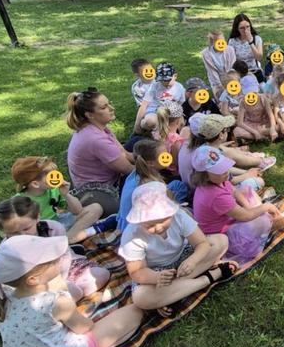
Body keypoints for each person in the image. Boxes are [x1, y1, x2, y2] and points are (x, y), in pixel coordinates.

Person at [0, 234, 143, 347]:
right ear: (33, 279)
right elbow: (85, 327)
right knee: (133, 312)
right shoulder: (55, 302)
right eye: (52, 260)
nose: (59, 258)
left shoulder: (5, 295)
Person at [118, 181, 235, 315]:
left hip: (183, 257)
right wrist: (157, 278)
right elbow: (137, 272)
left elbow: (202, 243)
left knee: (221, 241)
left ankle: (171, 294)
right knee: (141, 298)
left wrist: (192, 260)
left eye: (162, 221)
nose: (158, 227)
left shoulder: (179, 216)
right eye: (149, 225)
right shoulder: (132, 235)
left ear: (171, 212)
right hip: (155, 271)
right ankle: (207, 279)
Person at [0, 196, 110, 300]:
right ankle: (65, 301)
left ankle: (67, 299)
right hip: (38, 281)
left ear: (37, 217)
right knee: (72, 292)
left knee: (101, 275)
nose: (23, 235)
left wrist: (62, 280)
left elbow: (64, 257)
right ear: (3, 231)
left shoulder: (54, 228)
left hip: (66, 266)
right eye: (14, 233)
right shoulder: (8, 249)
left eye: (27, 228)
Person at [191, 145, 284, 264]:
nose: (226, 171)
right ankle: (268, 227)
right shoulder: (216, 196)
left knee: (246, 190)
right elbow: (245, 216)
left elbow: (234, 191)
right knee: (260, 221)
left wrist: (250, 207)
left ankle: (267, 222)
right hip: (222, 234)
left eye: (225, 166)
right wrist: (265, 207)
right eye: (220, 170)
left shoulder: (217, 181)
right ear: (205, 176)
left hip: (228, 219)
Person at [10, 156, 116, 244]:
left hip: (58, 221)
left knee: (96, 208)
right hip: (41, 232)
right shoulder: (20, 201)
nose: (58, 178)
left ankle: (66, 241)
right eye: (52, 175)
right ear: (35, 184)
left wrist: (66, 195)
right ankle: (67, 241)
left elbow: (77, 211)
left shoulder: (53, 190)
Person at [66, 87, 134, 215]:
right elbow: (128, 169)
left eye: (109, 104)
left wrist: (147, 157)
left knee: (140, 145)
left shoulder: (99, 129)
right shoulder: (96, 139)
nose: (111, 108)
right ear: (90, 115)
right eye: (104, 107)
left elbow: (125, 154)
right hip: (95, 192)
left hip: (103, 180)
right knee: (133, 207)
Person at [118, 139, 190, 235]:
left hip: (124, 219)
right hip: (135, 225)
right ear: (150, 163)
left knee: (177, 184)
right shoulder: (149, 186)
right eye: (164, 155)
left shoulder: (136, 173)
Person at [134, 62, 186, 132]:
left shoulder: (179, 88)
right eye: (162, 80)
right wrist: (137, 125)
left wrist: (178, 115)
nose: (165, 82)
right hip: (155, 109)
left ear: (175, 76)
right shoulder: (154, 86)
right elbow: (144, 105)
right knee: (151, 122)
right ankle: (144, 125)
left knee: (181, 123)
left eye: (168, 80)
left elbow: (180, 103)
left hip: (171, 111)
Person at [234, 74, 278, 143]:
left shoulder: (263, 98)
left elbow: (271, 115)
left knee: (276, 128)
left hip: (264, 123)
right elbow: (240, 122)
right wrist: (254, 132)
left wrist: (272, 128)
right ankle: (261, 137)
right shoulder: (243, 102)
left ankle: (254, 137)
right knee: (236, 131)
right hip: (250, 124)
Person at [228, 13, 264, 82]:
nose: (245, 30)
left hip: (254, 72)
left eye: (247, 27)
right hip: (239, 74)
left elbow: (259, 57)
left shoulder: (257, 39)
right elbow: (231, 61)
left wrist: (250, 42)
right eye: (242, 28)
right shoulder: (232, 41)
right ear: (237, 29)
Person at [202, 30, 236, 99]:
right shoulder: (206, 54)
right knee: (221, 98)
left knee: (234, 98)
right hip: (216, 80)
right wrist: (220, 86)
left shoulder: (230, 50)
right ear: (212, 42)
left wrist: (230, 83)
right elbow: (212, 72)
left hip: (231, 77)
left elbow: (233, 67)